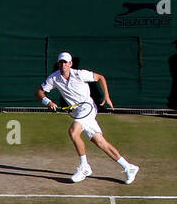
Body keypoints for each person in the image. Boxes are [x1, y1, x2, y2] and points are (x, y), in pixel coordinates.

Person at [36, 52, 140, 184]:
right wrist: (48, 102)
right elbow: (39, 92)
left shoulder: (80, 74)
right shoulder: (54, 78)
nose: (63, 64)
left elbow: (100, 78)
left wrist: (106, 96)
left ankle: (85, 167)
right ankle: (129, 167)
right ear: (59, 64)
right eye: (61, 62)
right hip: (77, 111)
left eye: (65, 62)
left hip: (87, 108)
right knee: (100, 142)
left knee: (73, 132)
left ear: (70, 64)